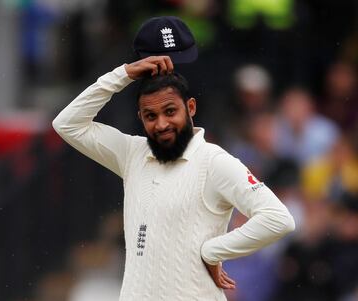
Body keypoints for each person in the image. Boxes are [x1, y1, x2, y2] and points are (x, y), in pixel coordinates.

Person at [52, 56, 295, 301]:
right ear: (141, 118)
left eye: (170, 111)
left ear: (190, 108)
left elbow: (278, 219)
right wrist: (123, 74)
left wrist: (212, 251)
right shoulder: (132, 154)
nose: (161, 124)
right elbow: (67, 124)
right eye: (150, 116)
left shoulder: (214, 161)